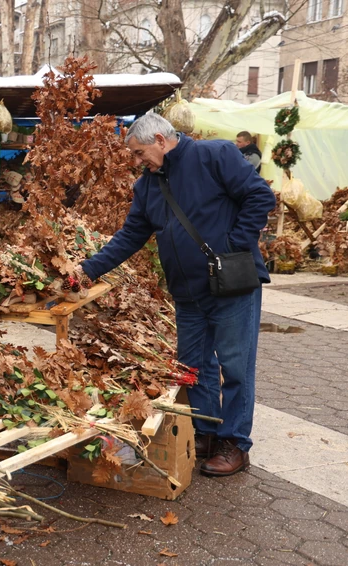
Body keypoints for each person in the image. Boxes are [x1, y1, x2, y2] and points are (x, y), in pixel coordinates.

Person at [76, 113, 275, 477]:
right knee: (193, 369)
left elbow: (260, 197)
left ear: (160, 139)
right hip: (188, 294)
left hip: (230, 285)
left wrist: (234, 245)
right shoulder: (147, 186)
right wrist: (88, 269)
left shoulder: (215, 156)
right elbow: (130, 235)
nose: (137, 162)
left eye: (139, 153)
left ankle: (235, 445)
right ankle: (206, 433)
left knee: (235, 368)